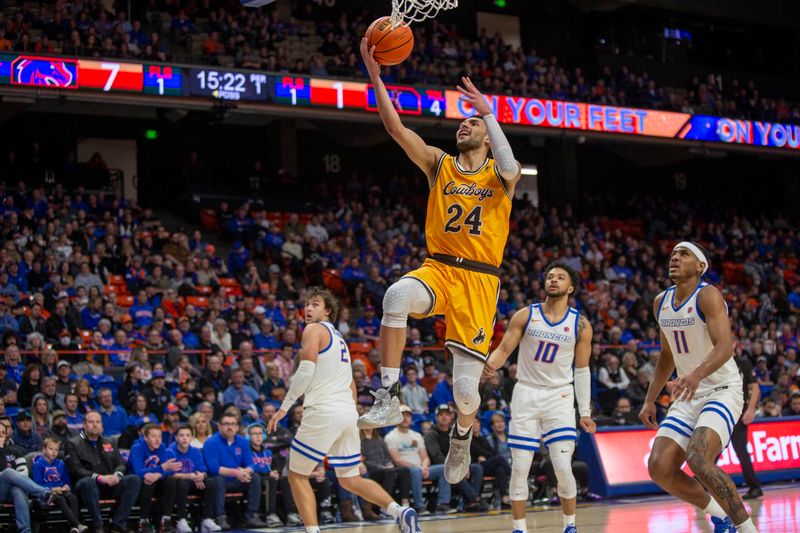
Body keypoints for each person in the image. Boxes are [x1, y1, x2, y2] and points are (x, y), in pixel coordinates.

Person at [357, 39, 521, 491]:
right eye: (464, 121)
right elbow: (397, 131)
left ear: (486, 135)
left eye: (473, 123)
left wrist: (488, 112)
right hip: (440, 268)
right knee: (395, 296)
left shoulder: (501, 175)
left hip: (480, 282)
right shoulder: (439, 164)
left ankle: (462, 436)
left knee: (467, 392)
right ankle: (388, 395)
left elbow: (509, 163)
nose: (464, 126)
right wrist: (376, 78)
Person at [267, 287, 421, 533]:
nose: (308, 308)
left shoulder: (313, 330)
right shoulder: (340, 341)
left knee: (296, 475)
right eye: (306, 304)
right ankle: (399, 511)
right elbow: (350, 385)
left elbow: (305, 372)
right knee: (350, 479)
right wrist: (350, 415)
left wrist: (283, 408)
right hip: (348, 414)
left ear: (327, 310)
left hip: (323, 410)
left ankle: (312, 531)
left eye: (315, 304)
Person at [638, 242, 757, 533]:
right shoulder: (660, 302)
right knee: (659, 468)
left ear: (700, 266)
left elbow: (726, 347)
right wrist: (650, 400)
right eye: (674, 254)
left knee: (698, 458)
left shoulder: (708, 295)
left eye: (684, 254)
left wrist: (694, 376)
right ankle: (721, 516)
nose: (675, 258)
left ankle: (748, 529)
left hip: (721, 389)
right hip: (688, 395)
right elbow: (667, 355)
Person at [485, 262, 595, 533]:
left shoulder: (580, 324)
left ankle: (570, 525)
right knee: (520, 466)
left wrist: (584, 412)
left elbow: (581, 371)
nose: (553, 280)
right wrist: (487, 367)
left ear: (570, 287)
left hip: (559, 395)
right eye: (549, 277)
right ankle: (519, 528)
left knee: (561, 464)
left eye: (560, 277)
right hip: (526, 393)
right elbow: (504, 349)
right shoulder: (526, 315)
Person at [65, 411, 142, 533]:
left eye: (98, 422)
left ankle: (118, 523)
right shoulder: (73, 443)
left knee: (134, 479)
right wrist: (100, 478)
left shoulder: (110, 441)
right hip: (87, 487)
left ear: (102, 425)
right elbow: (76, 470)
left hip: (110, 484)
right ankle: (98, 525)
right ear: (84, 425)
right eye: (91, 422)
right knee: (87, 482)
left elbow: (121, 463)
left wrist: (117, 475)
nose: (95, 425)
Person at [202, 412, 267, 529]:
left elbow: (251, 464)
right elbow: (214, 468)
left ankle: (252, 515)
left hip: (238, 480)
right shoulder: (211, 442)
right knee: (217, 480)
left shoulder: (242, 442)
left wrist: (247, 471)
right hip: (219, 480)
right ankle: (220, 517)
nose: (230, 427)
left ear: (237, 427)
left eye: (233, 424)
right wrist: (236, 473)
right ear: (219, 426)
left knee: (255, 478)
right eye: (226, 424)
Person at [423, 404, 486, 513]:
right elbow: (436, 456)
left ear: (451, 417)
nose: (444, 417)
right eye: (441, 415)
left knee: (476, 468)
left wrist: (464, 465)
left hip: (455, 464)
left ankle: (470, 502)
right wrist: (457, 466)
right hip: (439, 466)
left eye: (447, 414)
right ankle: (474, 498)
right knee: (453, 470)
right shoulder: (431, 434)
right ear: (436, 417)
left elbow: (462, 451)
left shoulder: (454, 432)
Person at [128, 423, 184, 532]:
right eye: (153, 436)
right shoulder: (137, 448)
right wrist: (161, 468)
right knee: (148, 481)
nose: (157, 440)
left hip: (156, 481)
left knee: (171, 480)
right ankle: (143, 520)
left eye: (159, 436)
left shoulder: (162, 447)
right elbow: (138, 472)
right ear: (145, 437)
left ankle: (166, 519)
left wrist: (158, 474)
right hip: (138, 484)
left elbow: (168, 471)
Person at [0, 421, 54, 533]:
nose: (1, 435)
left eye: (3, 433)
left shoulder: (15, 450)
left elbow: (24, 473)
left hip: (10, 491)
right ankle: (43, 493)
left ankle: (25, 530)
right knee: (8, 472)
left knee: (18, 489)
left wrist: (12, 479)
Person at [166, 424, 222, 533]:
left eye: (188, 435)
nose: (184, 438)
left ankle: (207, 519)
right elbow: (171, 474)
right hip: (177, 485)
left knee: (210, 482)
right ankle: (181, 520)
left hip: (195, 482)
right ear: (176, 437)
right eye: (181, 435)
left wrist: (201, 475)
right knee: (182, 483)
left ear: (192, 438)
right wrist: (191, 476)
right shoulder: (170, 451)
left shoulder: (195, 451)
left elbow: (203, 469)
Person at [385, 405, 439, 515]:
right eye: (402, 416)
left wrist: (424, 466)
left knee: (443, 469)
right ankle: (419, 506)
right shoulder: (391, 437)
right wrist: (418, 468)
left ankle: (443, 504)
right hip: (404, 471)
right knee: (415, 471)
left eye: (408, 416)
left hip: (421, 469)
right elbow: (397, 460)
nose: (405, 418)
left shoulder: (416, 435)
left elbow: (425, 457)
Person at [32, 437, 87, 533]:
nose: (54, 452)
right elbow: (37, 485)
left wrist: (66, 486)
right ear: (44, 449)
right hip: (48, 492)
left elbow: (66, 481)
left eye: (56, 450)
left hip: (61, 490)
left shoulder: (61, 464)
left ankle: (72, 528)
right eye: (51, 449)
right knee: (60, 499)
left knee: (73, 497)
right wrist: (53, 489)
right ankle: (77, 524)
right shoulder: (38, 464)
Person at [732, 354, 762, 500]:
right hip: (722, 410)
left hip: (739, 410)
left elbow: (755, 388)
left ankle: (755, 486)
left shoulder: (743, 362)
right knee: (712, 450)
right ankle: (702, 483)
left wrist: (751, 409)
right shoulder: (716, 360)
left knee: (741, 451)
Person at [246, 422, 283, 528]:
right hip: (255, 479)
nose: (258, 436)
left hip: (269, 477)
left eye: (260, 433)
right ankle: (270, 515)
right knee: (270, 480)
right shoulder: (247, 451)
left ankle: (292, 513)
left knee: (286, 480)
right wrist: (269, 473)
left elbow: (276, 465)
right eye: (254, 434)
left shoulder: (268, 452)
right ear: (248, 436)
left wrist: (276, 471)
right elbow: (250, 468)